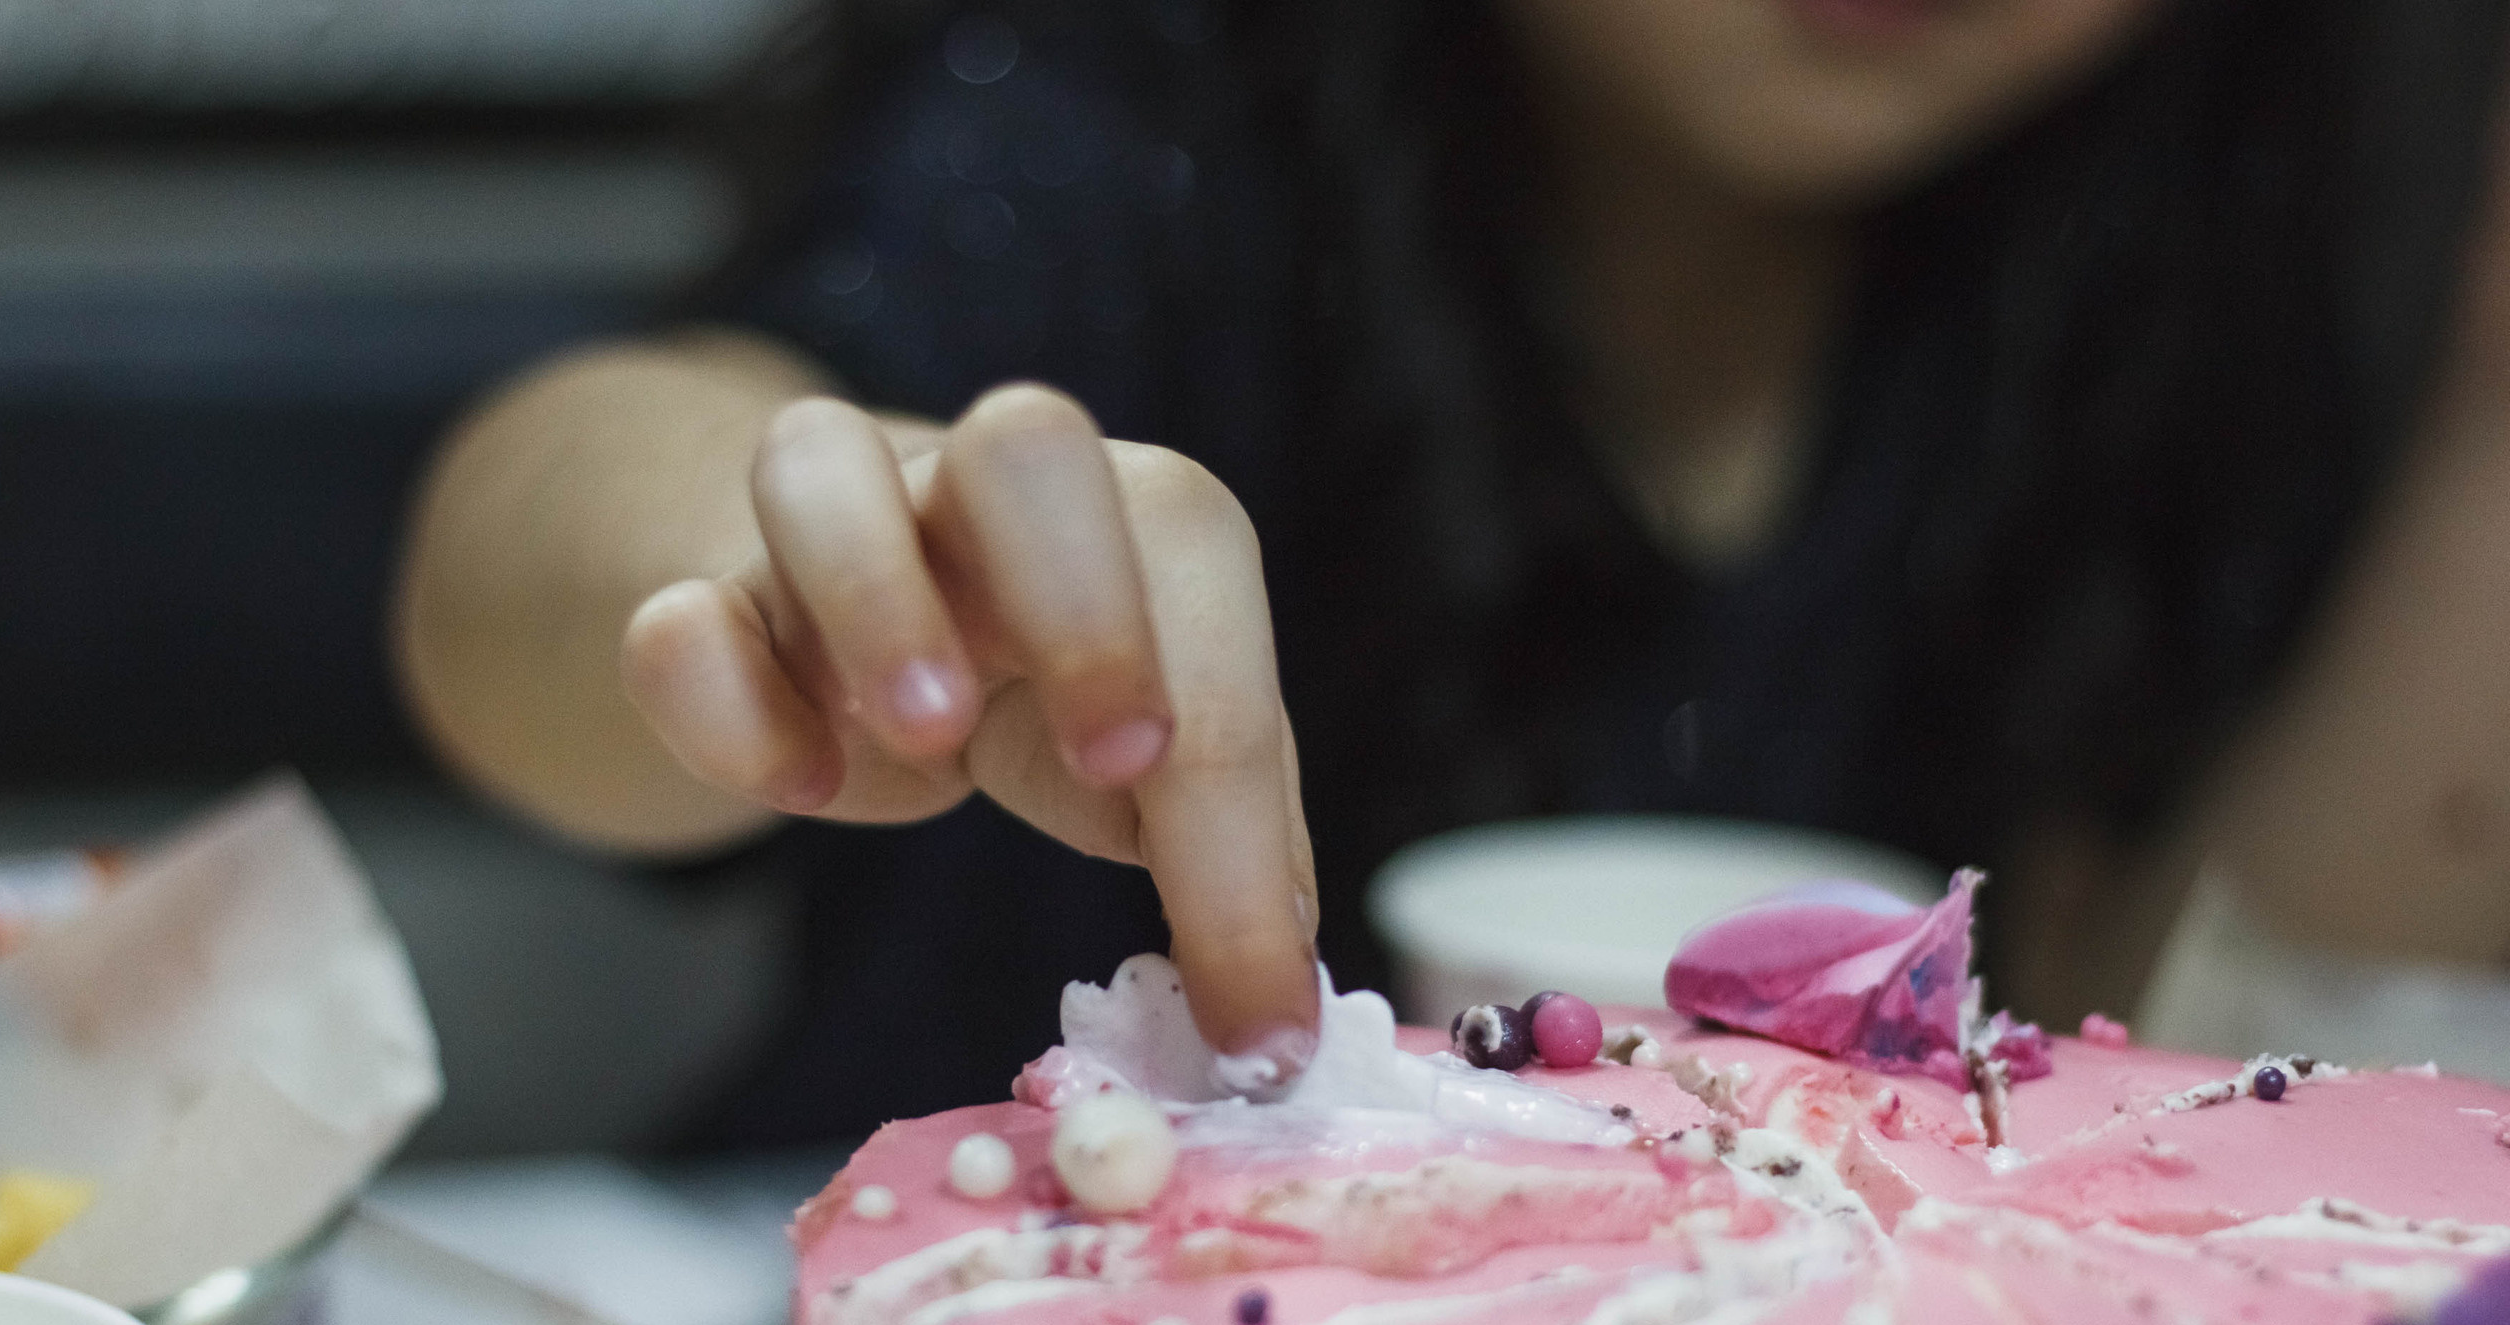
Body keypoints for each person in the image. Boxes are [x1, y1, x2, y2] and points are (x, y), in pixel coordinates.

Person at [394, 0, 2510, 1145]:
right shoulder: (1133, 119)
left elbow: (2161, 1052)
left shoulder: (2166, 249)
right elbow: (521, 555)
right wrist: (783, 551)